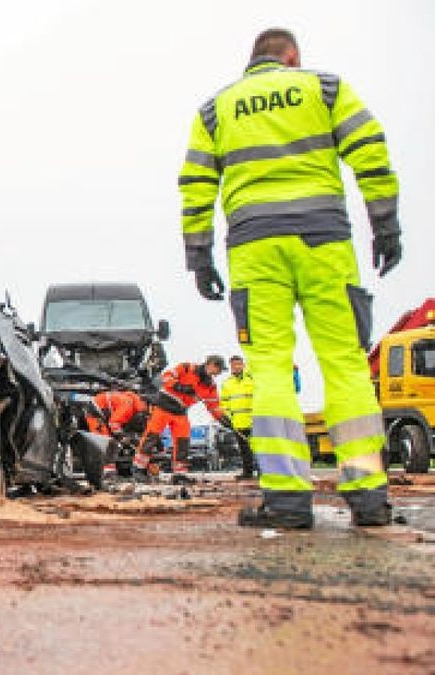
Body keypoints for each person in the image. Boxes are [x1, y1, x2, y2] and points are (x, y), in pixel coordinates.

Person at [178, 28, 399, 528]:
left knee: (271, 368)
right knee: (344, 362)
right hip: (325, 241)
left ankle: (287, 498)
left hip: (254, 251)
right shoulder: (323, 89)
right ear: (293, 57)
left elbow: (194, 186)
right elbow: (370, 150)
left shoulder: (216, 110)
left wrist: (199, 257)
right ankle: (367, 495)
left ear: (251, 59)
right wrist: (385, 226)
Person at [135, 356, 228, 478]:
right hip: (163, 406)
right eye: (219, 370)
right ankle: (139, 469)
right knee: (151, 437)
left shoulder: (210, 386)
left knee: (183, 442)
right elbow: (166, 377)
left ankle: (179, 474)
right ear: (211, 365)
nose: (219, 373)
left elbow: (213, 406)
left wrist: (223, 419)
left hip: (180, 411)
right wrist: (179, 386)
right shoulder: (186, 368)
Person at [220, 355, 256, 479]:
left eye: (239, 364)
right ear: (231, 366)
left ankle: (264, 473)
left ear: (243, 365)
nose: (236, 367)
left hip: (255, 420)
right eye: (234, 365)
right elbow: (224, 403)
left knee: (260, 448)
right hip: (238, 423)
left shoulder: (252, 379)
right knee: (244, 450)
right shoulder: (227, 384)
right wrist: (228, 418)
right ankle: (248, 473)